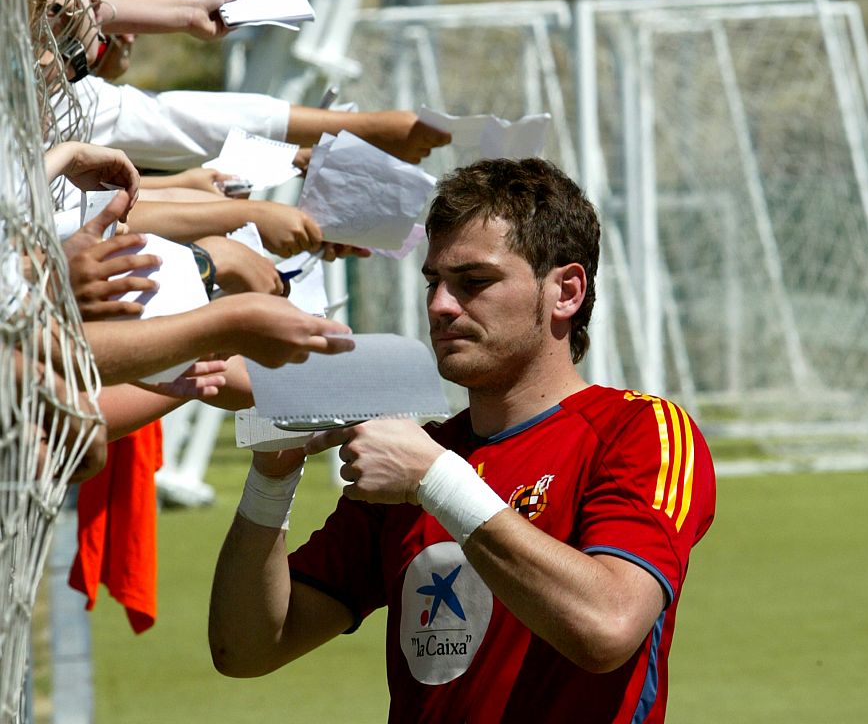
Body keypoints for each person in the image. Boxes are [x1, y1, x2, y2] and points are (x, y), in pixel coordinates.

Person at [209, 157, 716, 723]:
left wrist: (437, 481)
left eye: (474, 282)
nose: (440, 306)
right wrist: (271, 481)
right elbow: (246, 649)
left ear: (566, 291)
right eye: (434, 282)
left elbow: (607, 628)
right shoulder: (419, 457)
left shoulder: (639, 430)